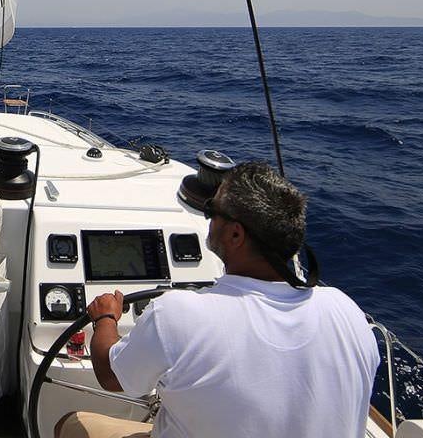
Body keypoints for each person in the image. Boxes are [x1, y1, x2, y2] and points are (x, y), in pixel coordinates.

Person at [57, 161, 380, 438]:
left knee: (69, 423)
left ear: (236, 234)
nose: (207, 216)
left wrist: (106, 318)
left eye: (212, 210)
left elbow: (111, 375)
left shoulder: (177, 313)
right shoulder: (347, 311)